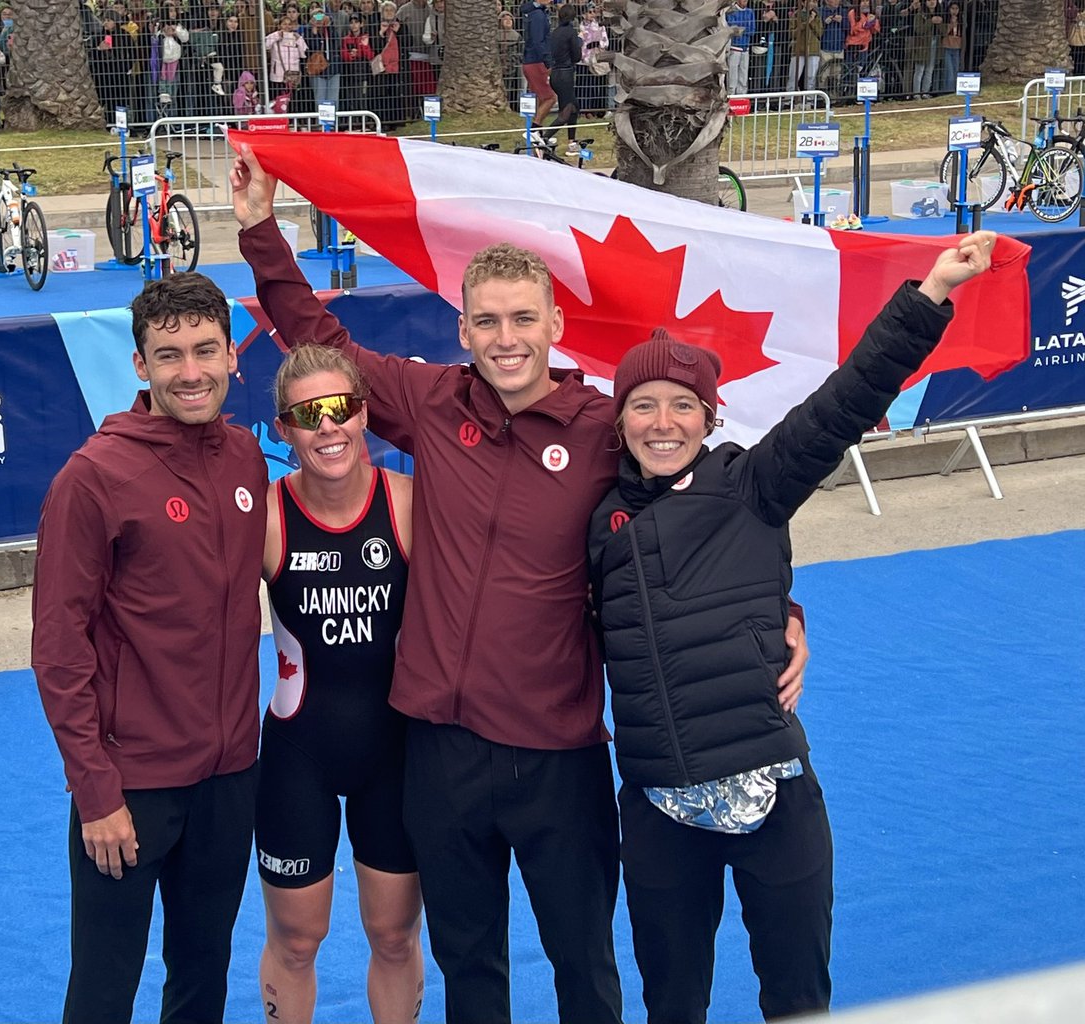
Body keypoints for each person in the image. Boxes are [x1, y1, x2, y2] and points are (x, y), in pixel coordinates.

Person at [230, 145, 808, 1024]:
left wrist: (783, 612)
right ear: (463, 331)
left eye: (523, 319)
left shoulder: (602, 429)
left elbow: (712, 512)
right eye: (488, 321)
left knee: (584, 964)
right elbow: (325, 349)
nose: (506, 338)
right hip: (440, 749)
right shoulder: (432, 403)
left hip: (558, 755)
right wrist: (259, 232)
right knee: (469, 967)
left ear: (553, 325)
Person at [588, 231, 998, 1024]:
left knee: (799, 1003)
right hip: (659, 809)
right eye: (644, 404)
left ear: (709, 417)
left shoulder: (754, 483)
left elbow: (848, 398)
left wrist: (933, 292)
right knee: (672, 1007)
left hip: (774, 797)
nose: (663, 423)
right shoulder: (594, 521)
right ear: (621, 418)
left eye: (683, 405)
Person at [31, 272, 268, 1024]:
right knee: (103, 992)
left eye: (205, 350)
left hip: (229, 779)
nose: (190, 372)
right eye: (169, 355)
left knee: (203, 978)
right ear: (140, 364)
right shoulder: (93, 478)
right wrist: (96, 791)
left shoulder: (245, 457)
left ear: (232, 355)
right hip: (129, 787)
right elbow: (59, 649)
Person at [256, 344, 424, 1024]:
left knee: (394, 935)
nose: (327, 426)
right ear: (283, 430)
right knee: (296, 941)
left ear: (364, 414)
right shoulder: (266, 517)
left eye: (340, 408)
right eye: (307, 414)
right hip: (300, 753)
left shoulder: (408, 505)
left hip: (396, 753)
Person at [541, 3, 582, 155]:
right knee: (566, 111)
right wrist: (579, 42)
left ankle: (572, 142)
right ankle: (545, 137)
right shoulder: (571, 32)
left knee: (574, 108)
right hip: (565, 74)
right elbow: (576, 56)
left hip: (556, 74)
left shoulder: (555, 32)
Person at [520, 0, 556, 125]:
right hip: (536, 61)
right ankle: (535, 127)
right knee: (550, 98)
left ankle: (536, 128)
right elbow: (538, 41)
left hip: (532, 60)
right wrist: (548, 61)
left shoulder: (534, 13)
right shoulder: (538, 16)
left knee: (541, 96)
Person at [788, 0, 822, 91]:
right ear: (803, 3)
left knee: (811, 77)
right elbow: (793, 34)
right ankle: (790, 97)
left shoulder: (817, 16)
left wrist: (812, 21)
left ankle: (809, 98)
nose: (812, 4)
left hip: (813, 50)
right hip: (799, 50)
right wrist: (806, 22)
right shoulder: (796, 15)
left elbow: (820, 33)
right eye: (810, 1)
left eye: (814, 2)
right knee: (794, 77)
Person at [726, 0, 754, 95]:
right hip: (735, 47)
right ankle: (731, 95)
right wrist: (744, 27)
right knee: (732, 74)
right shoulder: (731, 11)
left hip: (746, 47)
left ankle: (742, 96)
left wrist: (741, 28)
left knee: (744, 74)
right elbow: (733, 29)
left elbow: (752, 30)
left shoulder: (750, 12)